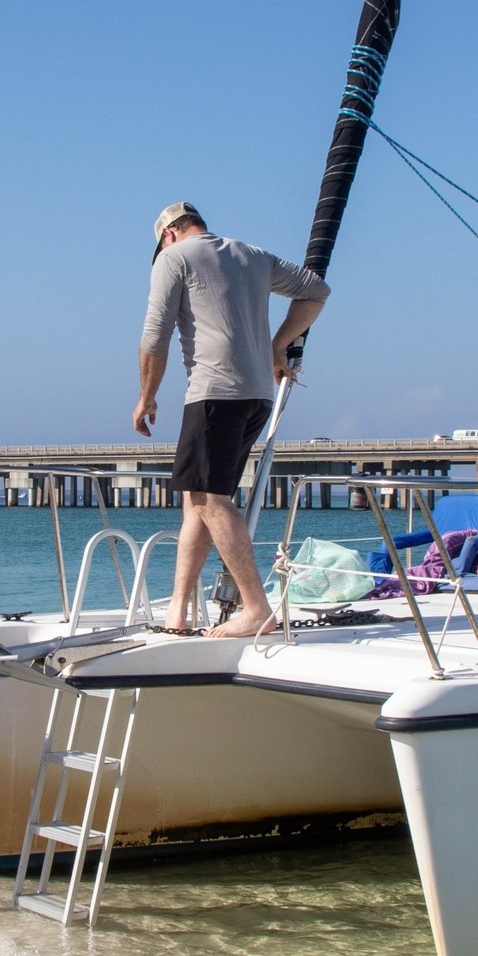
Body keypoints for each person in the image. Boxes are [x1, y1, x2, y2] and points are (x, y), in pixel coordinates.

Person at [134, 202, 330, 636]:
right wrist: (276, 346)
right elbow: (317, 291)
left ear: (168, 234)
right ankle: (178, 610)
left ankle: (256, 608)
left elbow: (154, 336)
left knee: (209, 501)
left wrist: (146, 396)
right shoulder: (252, 255)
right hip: (256, 395)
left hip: (214, 394)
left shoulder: (174, 258)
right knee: (198, 500)